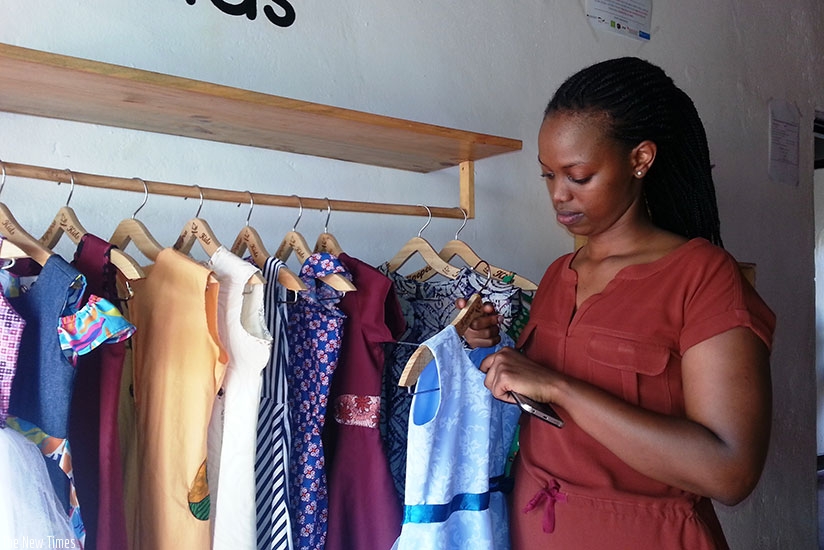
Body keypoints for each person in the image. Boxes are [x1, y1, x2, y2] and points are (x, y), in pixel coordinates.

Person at [460, 57, 776, 549]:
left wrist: (561, 387)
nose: (558, 196)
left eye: (578, 176)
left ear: (640, 159)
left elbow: (730, 471)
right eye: (548, 176)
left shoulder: (703, 277)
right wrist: (492, 350)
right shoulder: (556, 275)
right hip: (536, 530)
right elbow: (541, 402)